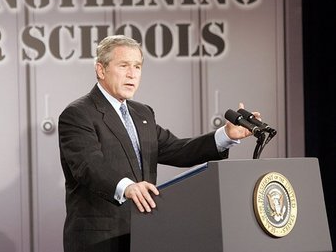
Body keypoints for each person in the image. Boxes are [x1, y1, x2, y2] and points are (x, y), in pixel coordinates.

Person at [58, 35, 255, 252]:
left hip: (144, 233)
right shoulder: (78, 114)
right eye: (124, 66)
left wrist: (225, 135)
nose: (132, 74)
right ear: (101, 70)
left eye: (137, 67)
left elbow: (178, 150)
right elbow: (89, 166)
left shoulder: (142, 113)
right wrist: (128, 187)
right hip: (100, 239)